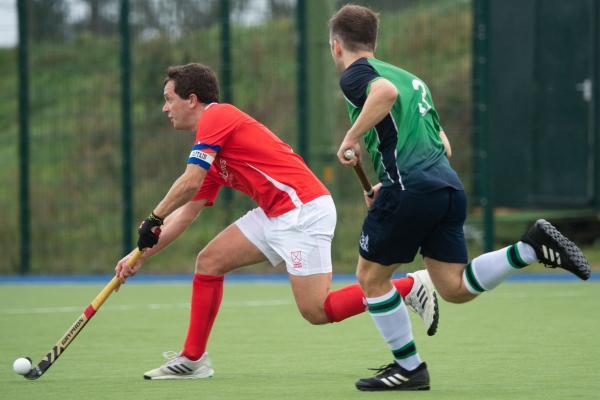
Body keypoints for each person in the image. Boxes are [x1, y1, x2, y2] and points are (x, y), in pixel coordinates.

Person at [115, 63, 440, 380]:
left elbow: (188, 182)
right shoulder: (209, 151)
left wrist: (152, 217)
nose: (164, 108)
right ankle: (192, 359)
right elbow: (185, 214)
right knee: (209, 261)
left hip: (304, 211)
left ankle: (410, 286)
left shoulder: (217, 115)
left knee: (317, 311)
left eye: (169, 99)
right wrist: (137, 256)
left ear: (192, 100)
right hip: (275, 213)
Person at [328, 4, 591, 392]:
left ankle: (409, 368)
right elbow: (443, 145)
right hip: (446, 187)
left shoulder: (358, 76)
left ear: (337, 46)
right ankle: (530, 249)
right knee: (453, 287)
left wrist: (351, 139)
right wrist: (388, 177)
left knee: (370, 278)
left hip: (411, 188)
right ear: (375, 41)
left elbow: (382, 93)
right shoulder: (414, 80)